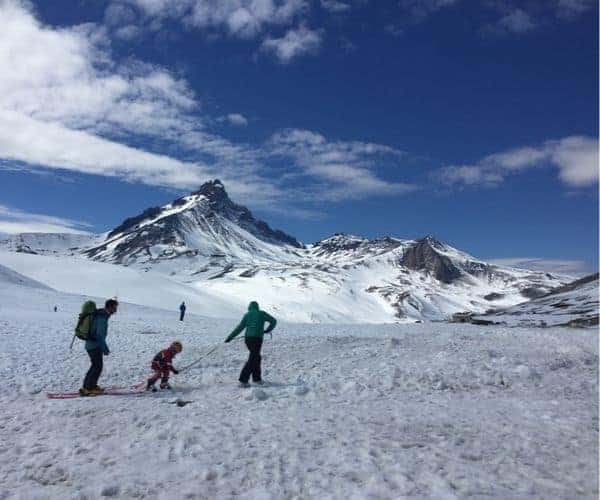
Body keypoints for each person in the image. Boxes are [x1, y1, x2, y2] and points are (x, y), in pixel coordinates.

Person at [225, 301, 277, 387]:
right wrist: (268, 330)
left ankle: (256, 379)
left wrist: (230, 337)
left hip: (248, 339)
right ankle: (243, 380)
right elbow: (274, 321)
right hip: (257, 339)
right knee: (254, 357)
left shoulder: (247, 315)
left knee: (256, 357)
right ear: (257, 307)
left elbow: (240, 327)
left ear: (249, 307)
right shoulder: (262, 313)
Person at [79, 298, 118, 396]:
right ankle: (88, 388)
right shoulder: (101, 317)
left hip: (92, 344)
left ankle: (90, 386)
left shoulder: (101, 315)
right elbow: (99, 335)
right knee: (97, 366)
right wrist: (105, 349)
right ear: (109, 307)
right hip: (94, 345)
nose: (115, 310)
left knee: (95, 366)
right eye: (114, 308)